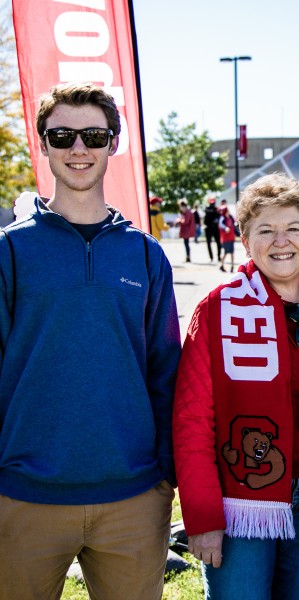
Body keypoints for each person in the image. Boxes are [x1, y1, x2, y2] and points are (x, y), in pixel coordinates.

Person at [0, 82, 181, 600]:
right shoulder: (9, 252)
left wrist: (163, 476)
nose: (78, 149)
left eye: (93, 136)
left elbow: (166, 372)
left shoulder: (146, 256)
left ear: (112, 144)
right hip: (23, 496)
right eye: (63, 135)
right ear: (44, 144)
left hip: (134, 496)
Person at [173, 173, 299, 600]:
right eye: (265, 230)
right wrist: (203, 517)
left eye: (293, 228)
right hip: (241, 502)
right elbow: (192, 420)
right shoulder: (217, 309)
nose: (280, 241)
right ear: (245, 240)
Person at [218, 203, 236, 273]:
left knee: (231, 253)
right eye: (227, 210)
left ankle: (232, 266)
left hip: (231, 238)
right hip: (226, 239)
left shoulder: (230, 218)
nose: (228, 212)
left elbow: (233, 227)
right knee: (226, 252)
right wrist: (225, 228)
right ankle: (221, 265)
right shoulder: (223, 218)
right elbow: (220, 225)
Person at [204, 196, 222, 263]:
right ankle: (211, 257)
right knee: (209, 243)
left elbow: (219, 217)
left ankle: (219, 256)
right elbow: (206, 217)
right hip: (208, 228)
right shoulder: (207, 209)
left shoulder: (216, 209)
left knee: (218, 243)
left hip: (215, 228)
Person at [176, 199, 195, 263]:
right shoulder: (187, 212)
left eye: (181, 207)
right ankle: (187, 256)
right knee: (186, 244)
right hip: (186, 230)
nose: (180, 208)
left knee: (186, 244)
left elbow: (185, 222)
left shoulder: (187, 212)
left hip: (186, 231)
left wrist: (178, 220)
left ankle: (188, 257)